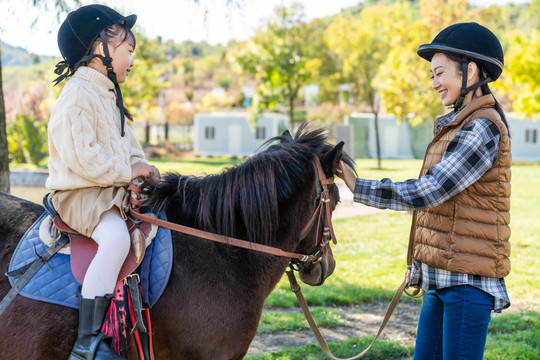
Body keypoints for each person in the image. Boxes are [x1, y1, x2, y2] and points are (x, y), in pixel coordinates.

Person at [338, 22, 511, 360]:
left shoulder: (482, 128)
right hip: (441, 280)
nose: (434, 83)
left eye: (440, 73)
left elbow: (431, 191)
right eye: (432, 75)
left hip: (466, 284)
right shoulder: (456, 124)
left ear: (470, 70)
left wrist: (360, 187)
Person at [45, 4, 160, 359]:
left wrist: (142, 168)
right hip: (80, 193)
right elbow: (84, 159)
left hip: (105, 190)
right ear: (101, 49)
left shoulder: (108, 95)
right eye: (128, 50)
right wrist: (128, 173)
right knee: (112, 240)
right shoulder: (78, 93)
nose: (132, 59)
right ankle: (86, 341)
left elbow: (128, 149)